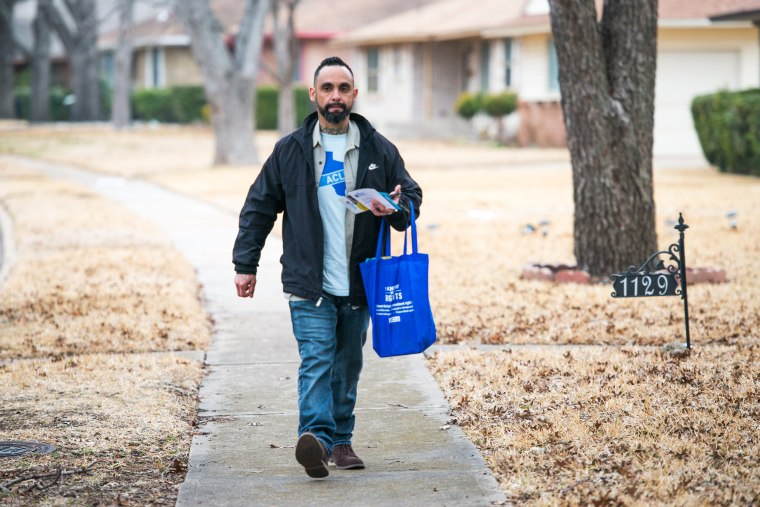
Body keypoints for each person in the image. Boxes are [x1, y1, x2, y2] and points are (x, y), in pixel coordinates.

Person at [232, 56, 422, 479]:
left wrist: (394, 206)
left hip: (359, 282)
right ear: (313, 94)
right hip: (308, 281)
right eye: (328, 88)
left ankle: (341, 442)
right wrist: (246, 263)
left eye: (343, 88)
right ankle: (315, 440)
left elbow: (410, 201)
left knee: (347, 366)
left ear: (354, 95)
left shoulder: (379, 149)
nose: (335, 96)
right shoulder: (291, 150)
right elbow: (258, 207)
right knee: (317, 361)